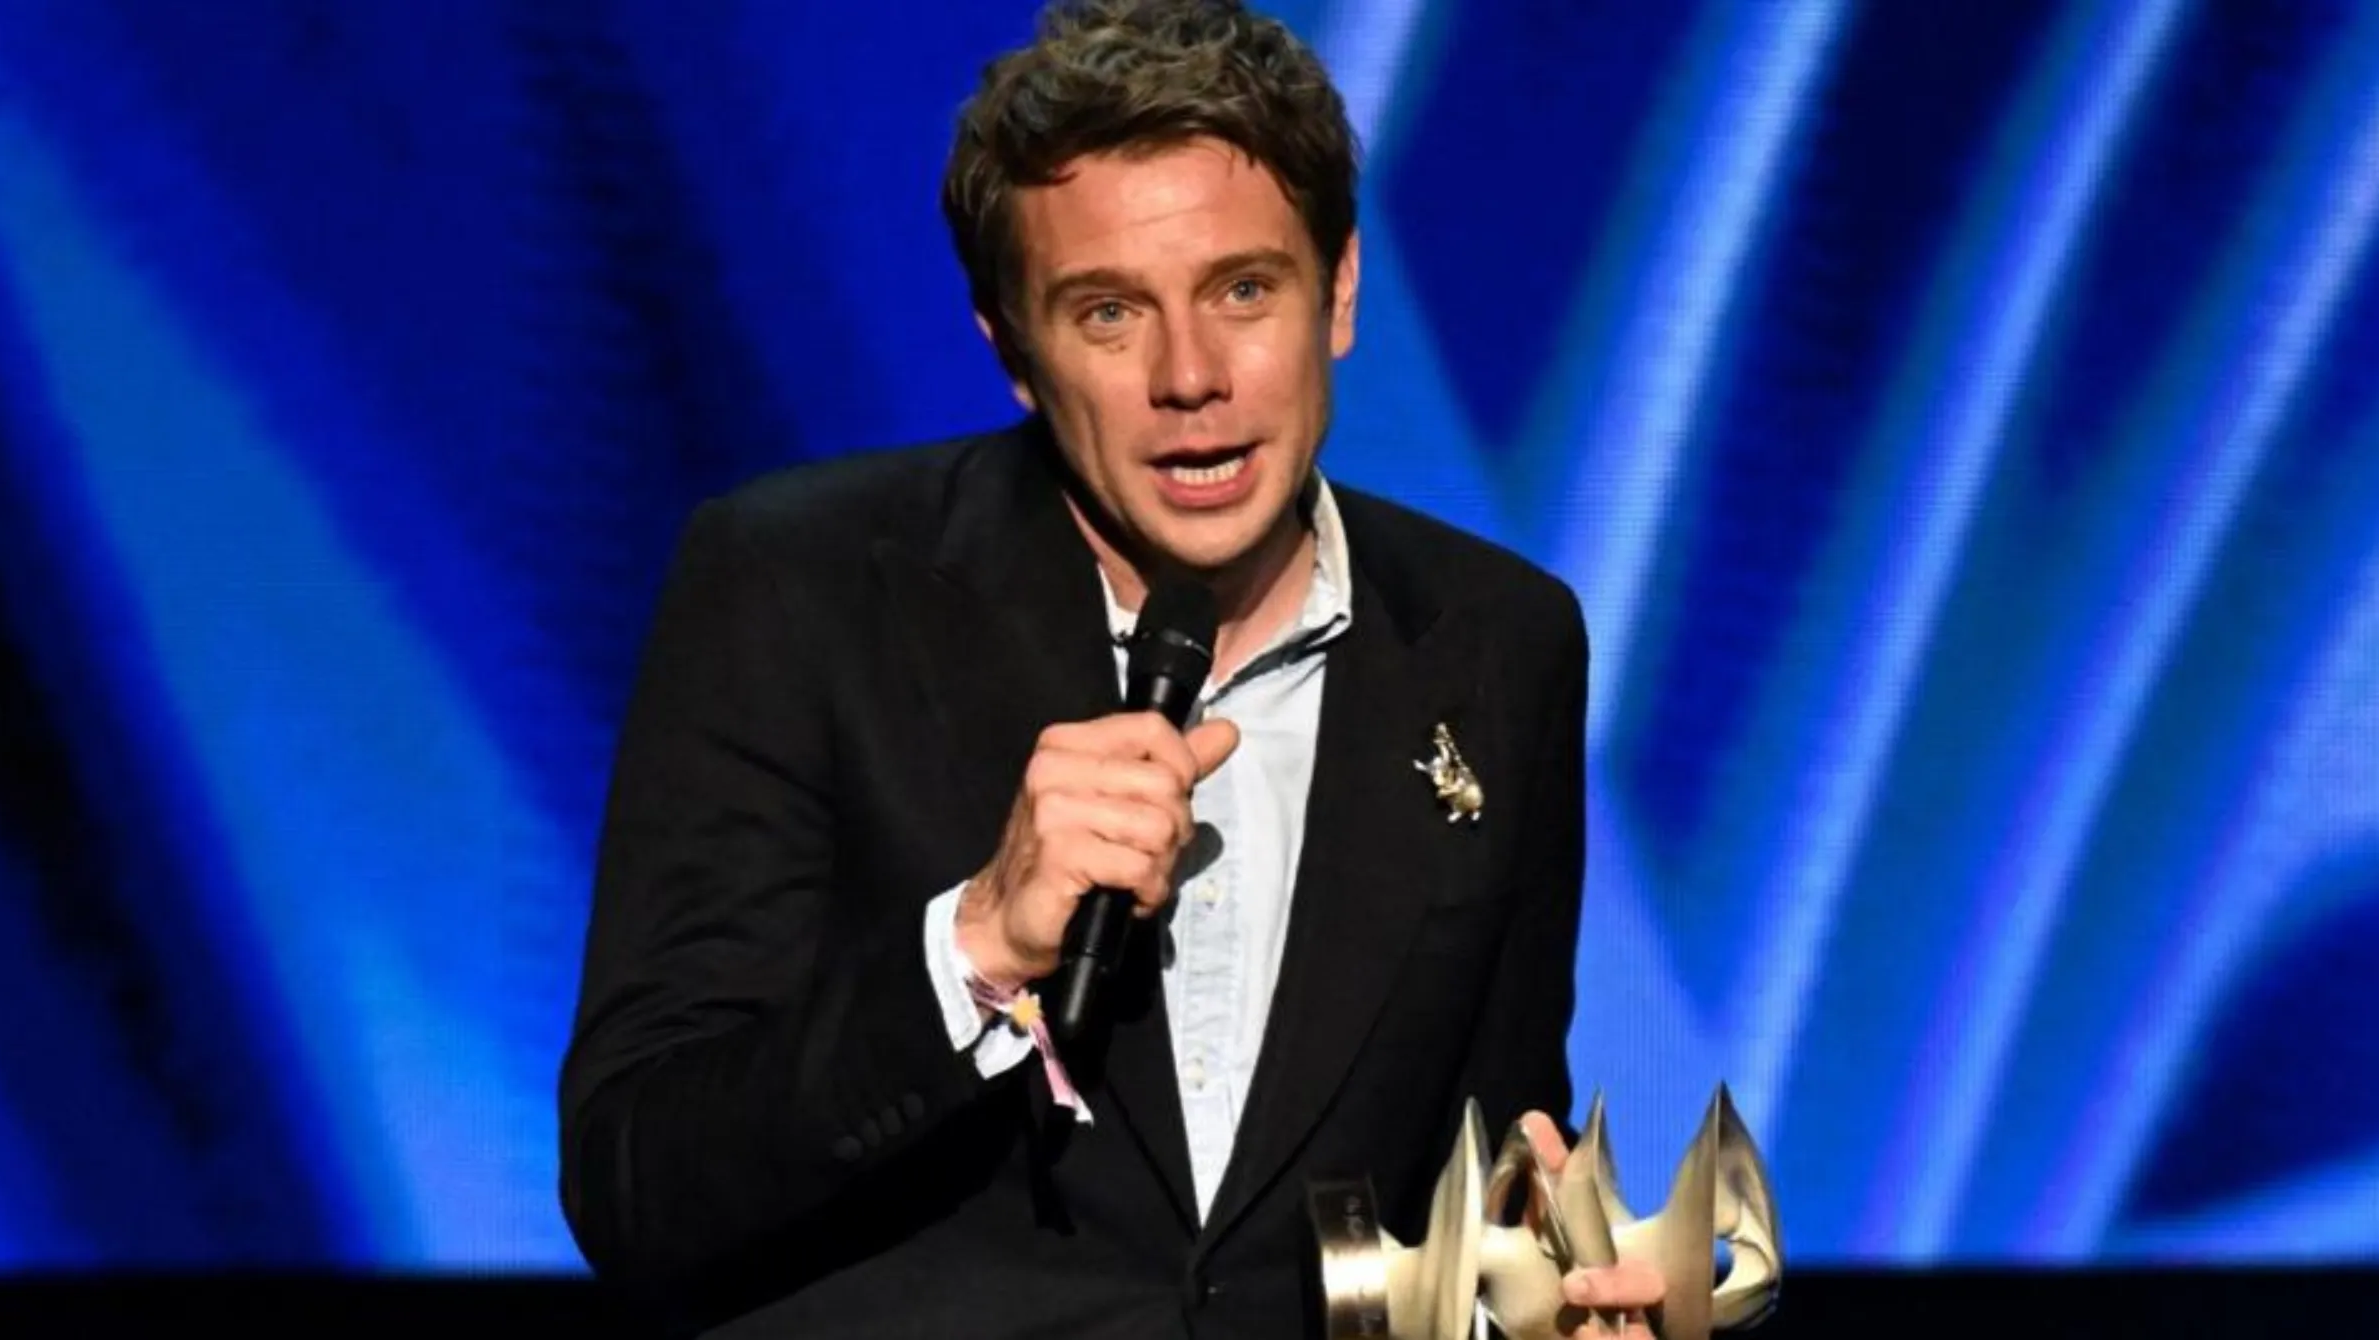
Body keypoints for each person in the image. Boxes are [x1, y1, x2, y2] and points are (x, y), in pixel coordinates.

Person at [557, 0, 1668, 1334]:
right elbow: (638, 1188)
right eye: (1107, 313)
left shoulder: (1498, 642)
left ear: (1340, 291)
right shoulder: (796, 590)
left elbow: (1481, 1182)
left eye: (1243, 290)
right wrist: (976, 944)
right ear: (1013, 351)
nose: (1190, 376)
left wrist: (1554, 1296)